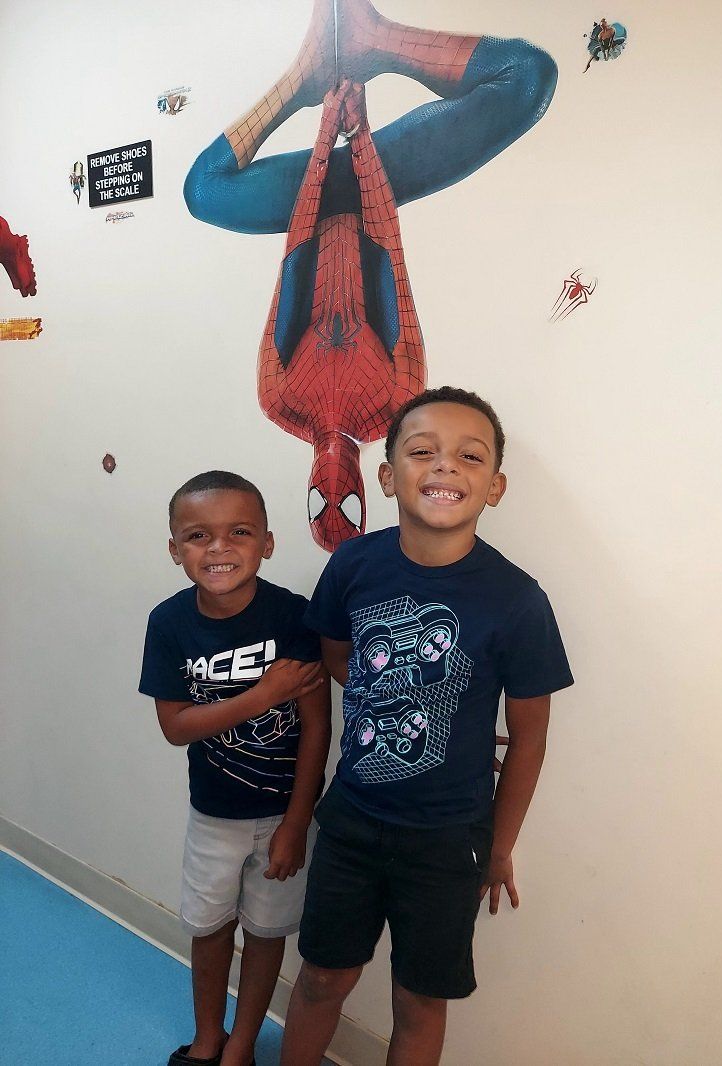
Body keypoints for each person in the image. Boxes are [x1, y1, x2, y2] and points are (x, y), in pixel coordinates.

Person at [183, 0, 558, 552]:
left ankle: (301, 77)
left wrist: (324, 133)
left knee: (203, 192)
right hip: (378, 178)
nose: (334, 490)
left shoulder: (280, 401)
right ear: (370, 490)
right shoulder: (395, 403)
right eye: (348, 505)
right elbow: (387, 251)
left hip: (308, 191)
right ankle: (377, 39)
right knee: (528, 77)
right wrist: (357, 138)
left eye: (321, 504)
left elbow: (296, 256)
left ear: (305, 496)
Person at [280, 387, 574, 1065]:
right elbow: (339, 656)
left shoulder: (518, 600)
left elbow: (529, 738)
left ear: (494, 486)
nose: (445, 466)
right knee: (322, 978)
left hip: (448, 841)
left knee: (418, 1001)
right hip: (352, 821)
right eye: (422, 451)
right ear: (388, 477)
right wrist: (405, 696)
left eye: (470, 456)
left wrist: (499, 847)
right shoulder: (353, 564)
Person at [139, 471, 331, 1066]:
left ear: (267, 543)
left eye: (239, 532)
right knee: (209, 929)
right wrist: (262, 695)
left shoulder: (295, 618)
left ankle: (241, 1046)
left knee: (267, 934)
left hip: (284, 816)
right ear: (175, 550)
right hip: (213, 816)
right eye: (198, 535)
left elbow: (317, 729)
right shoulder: (168, 623)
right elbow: (176, 727)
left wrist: (296, 823)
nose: (219, 547)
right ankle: (207, 1039)